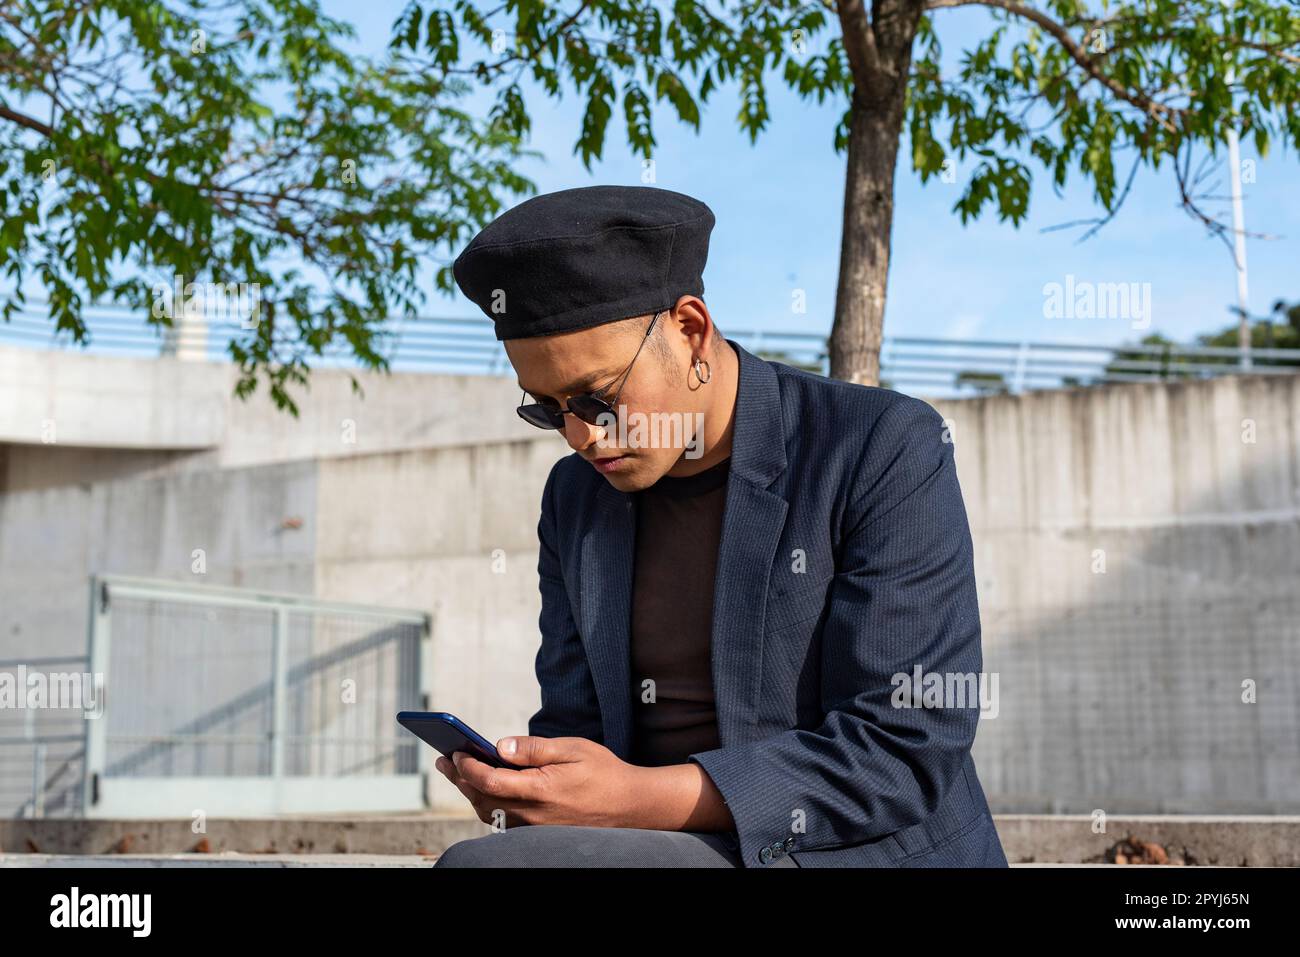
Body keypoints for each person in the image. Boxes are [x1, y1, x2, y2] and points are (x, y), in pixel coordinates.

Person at [432, 184, 1007, 868]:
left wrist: (631, 797)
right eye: (550, 410)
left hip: (850, 849)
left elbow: (902, 747)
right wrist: (535, 787)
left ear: (691, 330)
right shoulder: (575, 498)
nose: (582, 435)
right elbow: (575, 723)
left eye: (598, 395)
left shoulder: (879, 446)